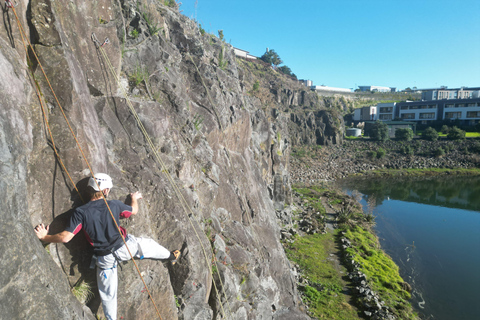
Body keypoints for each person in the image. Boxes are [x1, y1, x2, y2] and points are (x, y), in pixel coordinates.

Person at [34, 173, 180, 320]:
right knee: (148, 245)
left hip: (104, 258)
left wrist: (44, 237)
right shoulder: (113, 205)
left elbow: (66, 237)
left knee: (109, 295)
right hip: (125, 247)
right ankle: (170, 256)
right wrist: (134, 199)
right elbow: (133, 211)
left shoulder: (80, 212)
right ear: (105, 191)